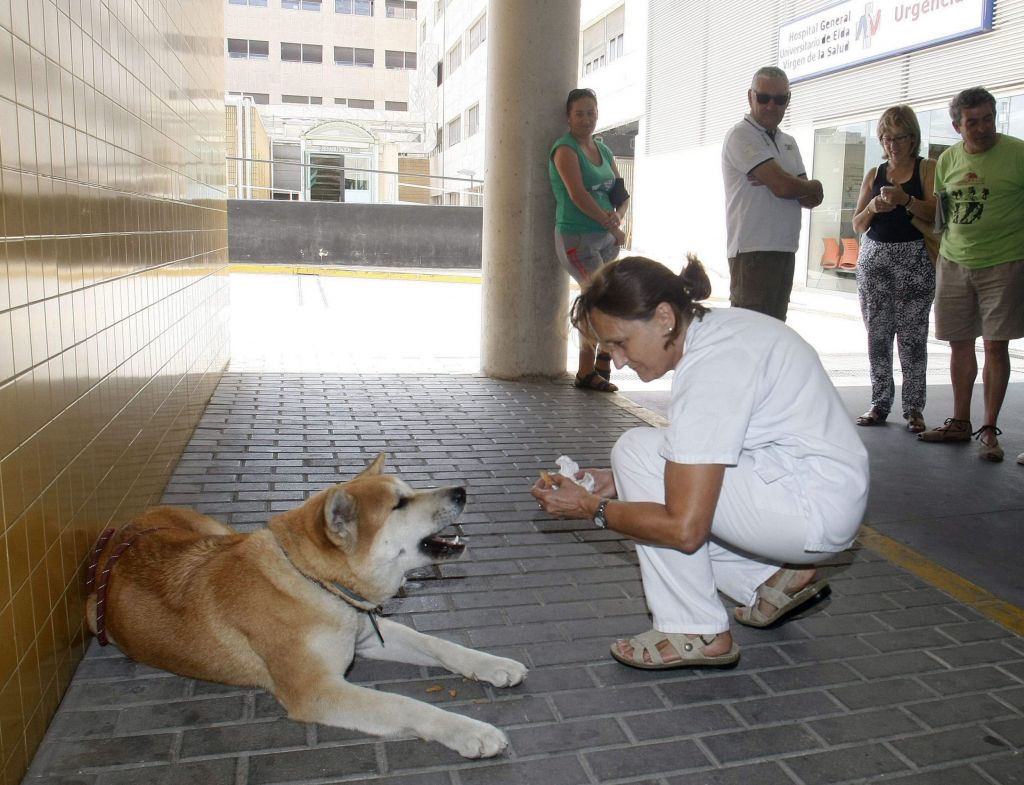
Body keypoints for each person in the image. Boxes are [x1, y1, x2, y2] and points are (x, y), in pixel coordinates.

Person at [532, 256, 869, 669]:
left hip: (810, 509)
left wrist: (593, 509)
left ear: (664, 317)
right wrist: (619, 481)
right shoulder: (720, 333)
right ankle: (765, 579)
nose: (617, 361)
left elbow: (685, 530)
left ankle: (695, 630)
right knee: (637, 461)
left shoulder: (713, 367)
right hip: (816, 490)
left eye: (620, 342)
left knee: (637, 453)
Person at [918, 87, 1024, 462]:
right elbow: (942, 215)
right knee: (959, 343)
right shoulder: (947, 161)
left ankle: (988, 431)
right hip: (954, 262)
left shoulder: (1018, 154)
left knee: (996, 345)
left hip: (1005, 262)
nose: (982, 129)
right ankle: (960, 422)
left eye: (988, 119)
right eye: (972, 122)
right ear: (957, 126)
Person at [850, 105, 936, 434]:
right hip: (874, 260)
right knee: (877, 336)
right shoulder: (874, 174)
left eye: (899, 137)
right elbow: (858, 223)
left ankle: (914, 408)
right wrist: (873, 205)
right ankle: (879, 402)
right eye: (886, 137)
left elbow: (936, 215)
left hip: (914, 260)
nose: (892, 145)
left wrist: (905, 200)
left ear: (913, 138)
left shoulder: (927, 169)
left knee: (913, 338)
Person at [722, 66, 824, 322]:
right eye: (764, 97)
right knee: (750, 338)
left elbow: (811, 198)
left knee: (774, 337)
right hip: (752, 253)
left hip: (785, 250)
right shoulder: (740, 135)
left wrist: (803, 186)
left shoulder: (788, 141)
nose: (771, 105)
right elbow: (784, 188)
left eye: (779, 99)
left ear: (788, 101)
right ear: (750, 97)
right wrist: (799, 184)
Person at [549, 87, 629, 392]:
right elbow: (577, 195)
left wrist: (618, 216)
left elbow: (619, 193)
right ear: (568, 117)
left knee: (602, 301)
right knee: (599, 300)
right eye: (579, 113)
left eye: (591, 112)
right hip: (577, 238)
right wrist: (610, 223)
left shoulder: (604, 150)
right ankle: (589, 369)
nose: (586, 119)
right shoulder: (564, 149)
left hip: (606, 238)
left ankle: (600, 360)